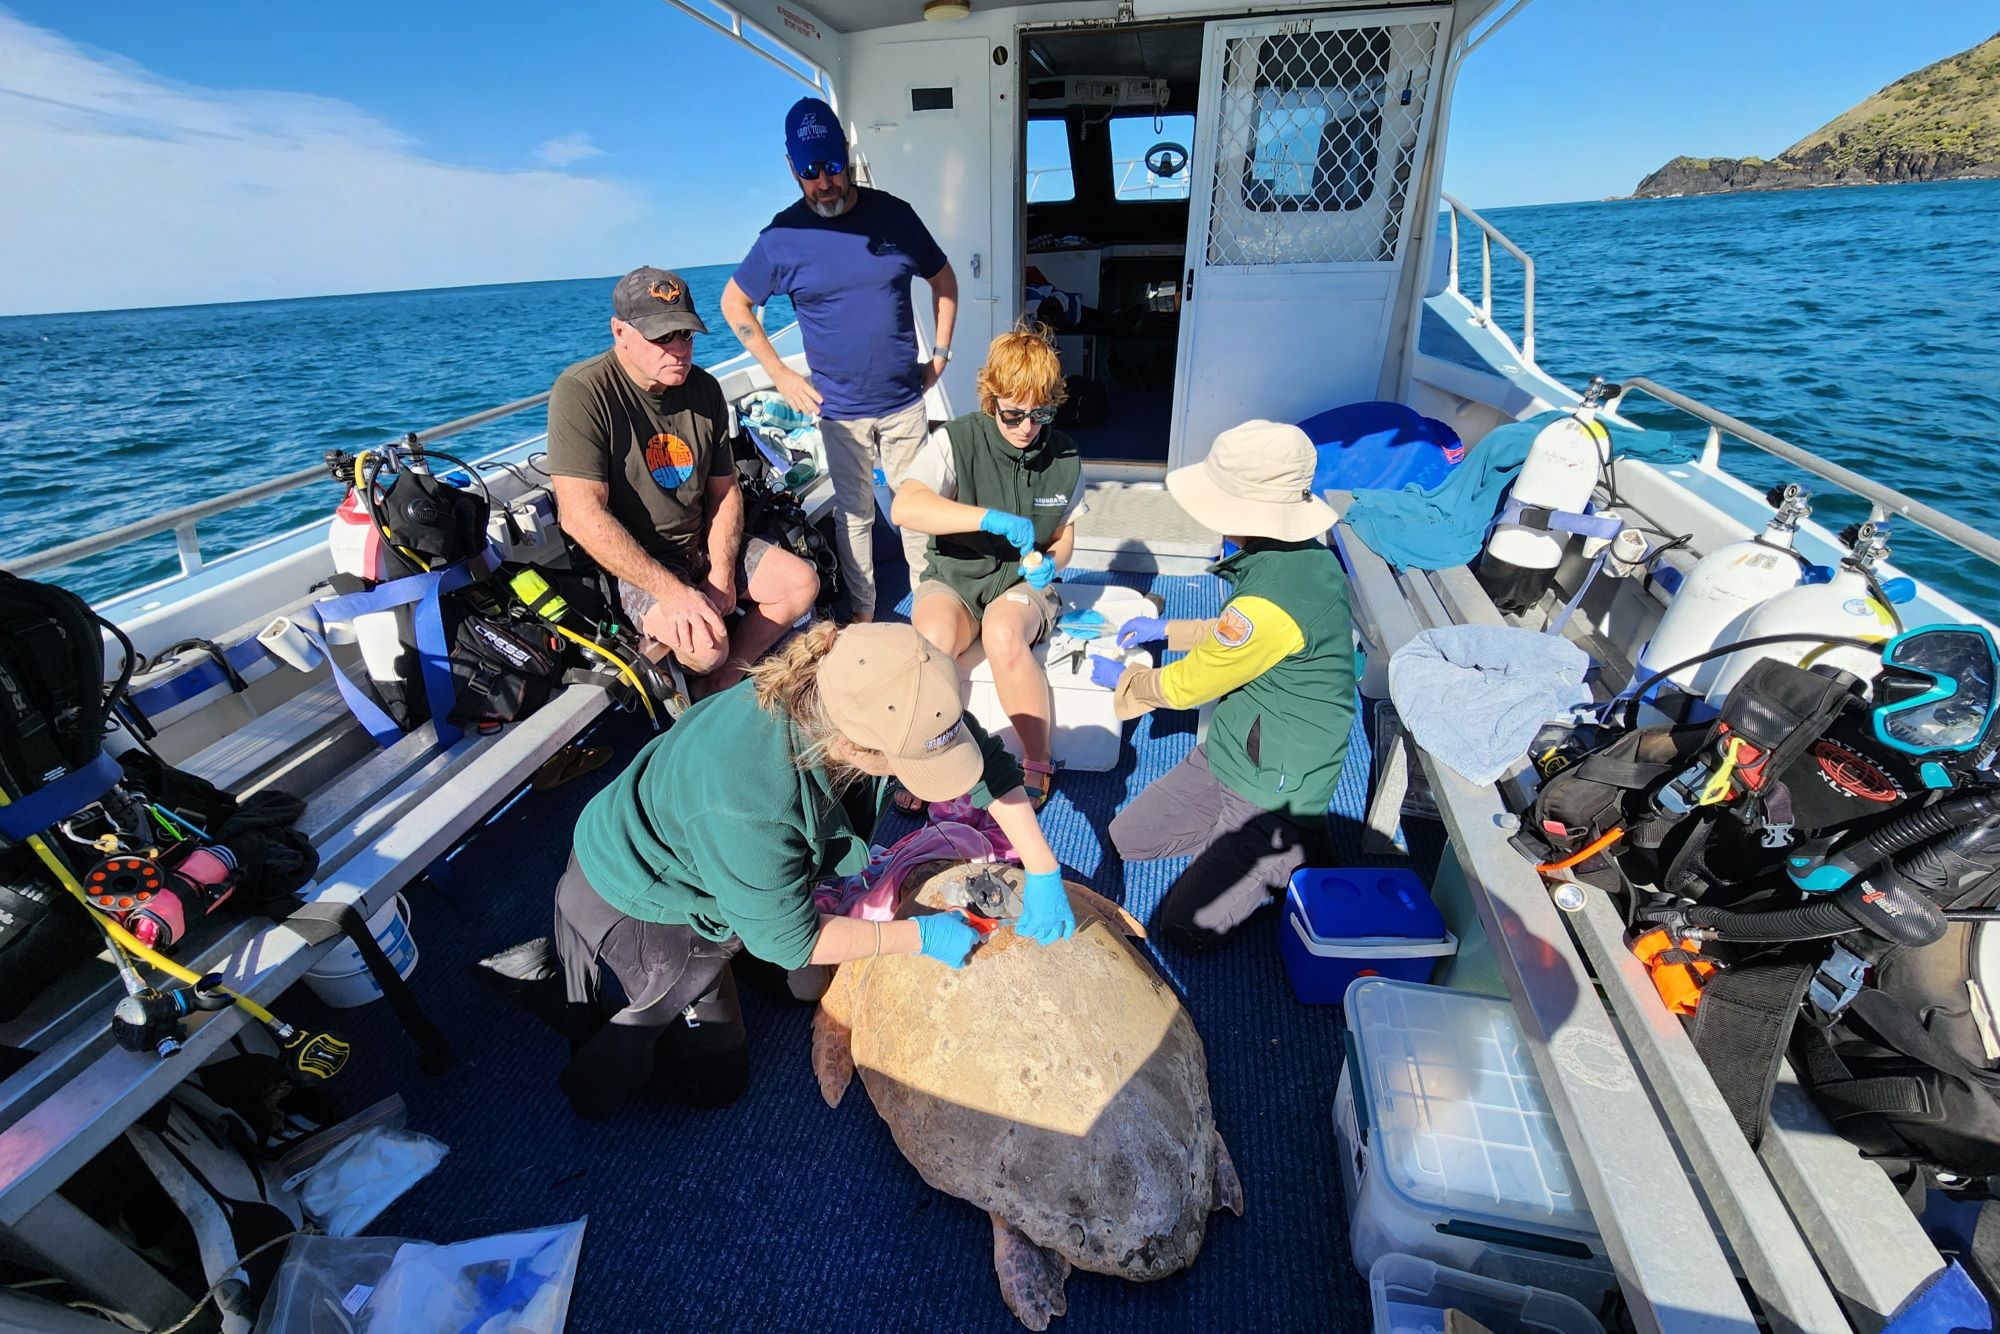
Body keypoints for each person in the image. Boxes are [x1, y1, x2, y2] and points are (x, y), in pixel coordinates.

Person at [541, 621, 1075, 1120]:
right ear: (849, 749)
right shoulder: (749, 799)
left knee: (805, 989)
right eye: (909, 767)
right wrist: (919, 935)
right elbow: (789, 943)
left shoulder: (894, 683)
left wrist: (1044, 870)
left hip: (732, 867)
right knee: (716, 1079)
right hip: (644, 889)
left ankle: (740, 930)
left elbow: (989, 768)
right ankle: (555, 979)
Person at [1091, 421, 1354, 950]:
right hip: (1235, 750)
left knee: (1187, 930)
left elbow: (1190, 685)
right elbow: (1242, 639)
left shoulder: (1269, 603)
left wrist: (1129, 680)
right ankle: (1240, 843)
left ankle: (1289, 851)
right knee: (1126, 839)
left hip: (1276, 782)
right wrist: (1170, 629)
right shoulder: (1296, 557)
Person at [720, 97, 959, 623]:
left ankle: (933, 612)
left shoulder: (893, 215)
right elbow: (734, 302)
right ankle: (865, 617)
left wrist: (939, 357)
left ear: (846, 155)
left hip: (904, 401)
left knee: (917, 512)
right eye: (810, 171)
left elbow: (944, 280)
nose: (824, 181)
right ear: (792, 168)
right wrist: (780, 374)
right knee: (854, 518)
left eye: (832, 165)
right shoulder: (782, 238)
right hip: (840, 411)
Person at [547, 266, 820, 692]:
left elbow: (724, 491)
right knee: (708, 647)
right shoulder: (583, 392)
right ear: (620, 332)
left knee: (801, 583)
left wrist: (721, 575)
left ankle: (716, 692)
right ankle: (705, 679)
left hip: (700, 545)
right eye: (662, 337)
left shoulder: (705, 389)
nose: (678, 350)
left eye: (686, 335)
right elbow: (580, 515)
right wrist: (673, 592)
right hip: (641, 563)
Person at [892, 325, 1084, 810]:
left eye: (1040, 413)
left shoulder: (1064, 457)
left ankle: (1037, 759)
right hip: (955, 578)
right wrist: (986, 519)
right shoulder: (955, 441)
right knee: (932, 642)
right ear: (990, 398)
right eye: (1014, 413)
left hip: (1021, 584)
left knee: (1003, 634)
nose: (1026, 427)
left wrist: (1050, 565)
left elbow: (1064, 539)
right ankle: (923, 756)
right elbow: (906, 507)